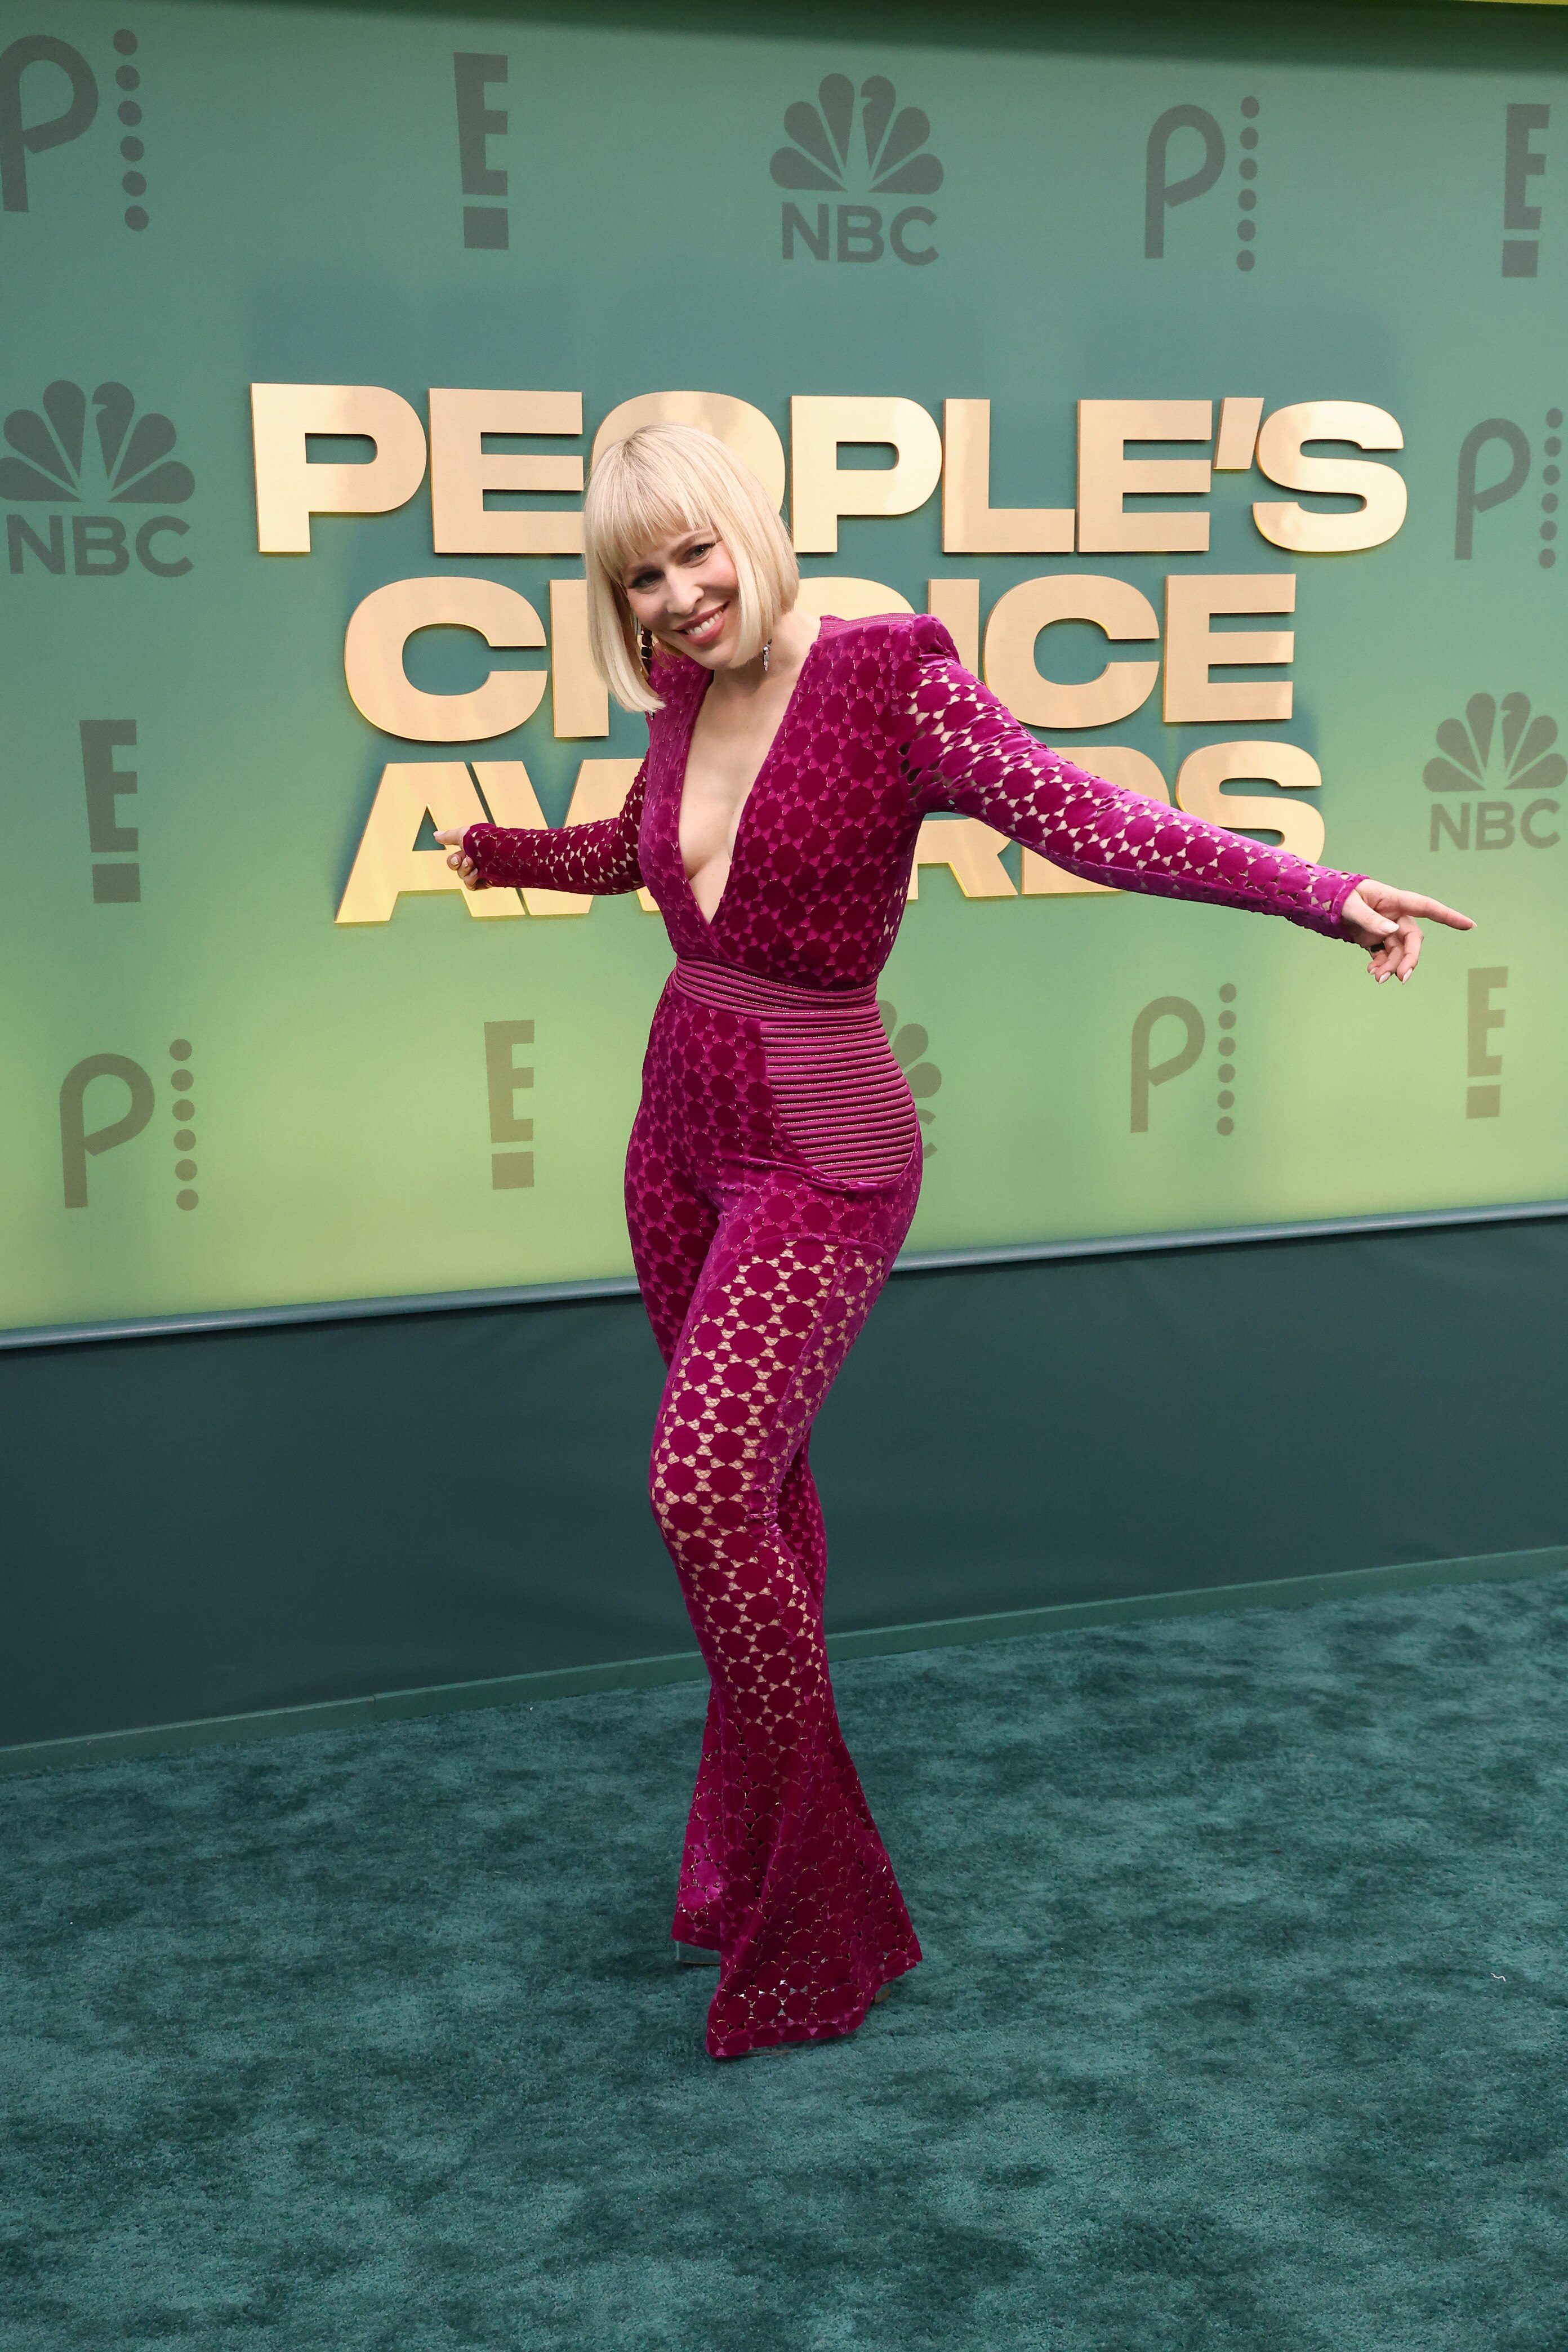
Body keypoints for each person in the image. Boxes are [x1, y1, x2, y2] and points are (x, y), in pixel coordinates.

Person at [438, 422, 1472, 2061]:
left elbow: (1087, 819)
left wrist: (1318, 890)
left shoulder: (888, 676)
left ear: (754, 527)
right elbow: (642, 858)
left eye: (697, 551)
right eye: (642, 574)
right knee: (756, 1502)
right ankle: (753, 1866)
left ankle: (825, 1911)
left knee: (701, 1489)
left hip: (821, 1150)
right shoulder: (682, 700)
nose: (681, 593)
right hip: (673, 1138)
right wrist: (499, 852)